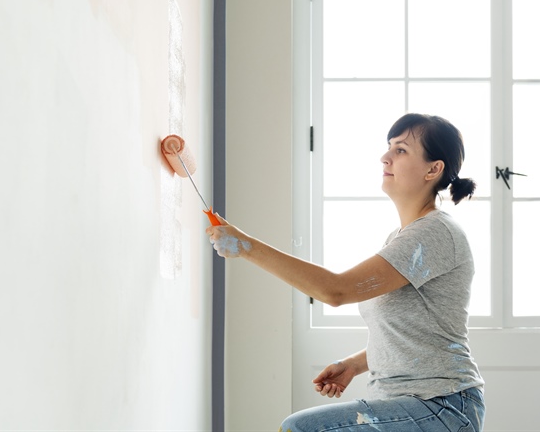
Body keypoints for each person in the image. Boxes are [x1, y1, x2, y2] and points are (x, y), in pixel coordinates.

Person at [207, 113, 486, 432]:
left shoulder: (435, 233)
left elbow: (335, 291)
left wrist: (246, 246)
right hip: (414, 403)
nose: (385, 157)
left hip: (442, 406)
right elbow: (415, 333)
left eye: (401, 150)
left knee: (302, 428)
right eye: (389, 147)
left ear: (433, 169)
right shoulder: (402, 238)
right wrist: (353, 366)